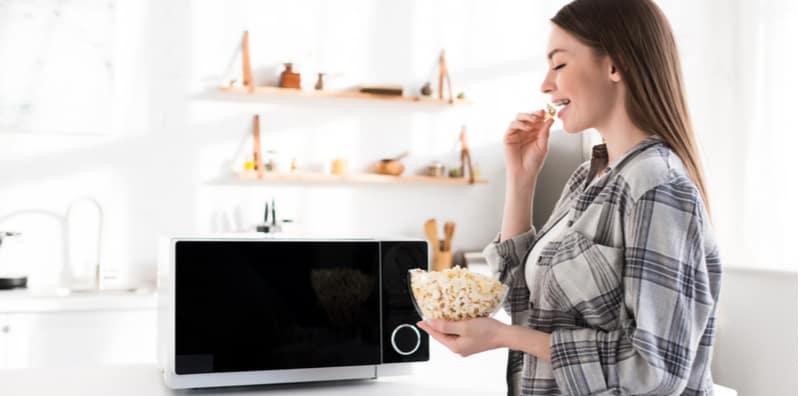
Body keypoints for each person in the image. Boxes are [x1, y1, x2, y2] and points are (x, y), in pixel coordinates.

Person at [416, 0, 722, 395]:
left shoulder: (657, 186)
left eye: (559, 65)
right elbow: (528, 306)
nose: (545, 84)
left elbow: (655, 371)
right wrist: (521, 179)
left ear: (615, 65)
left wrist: (506, 338)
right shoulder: (590, 176)